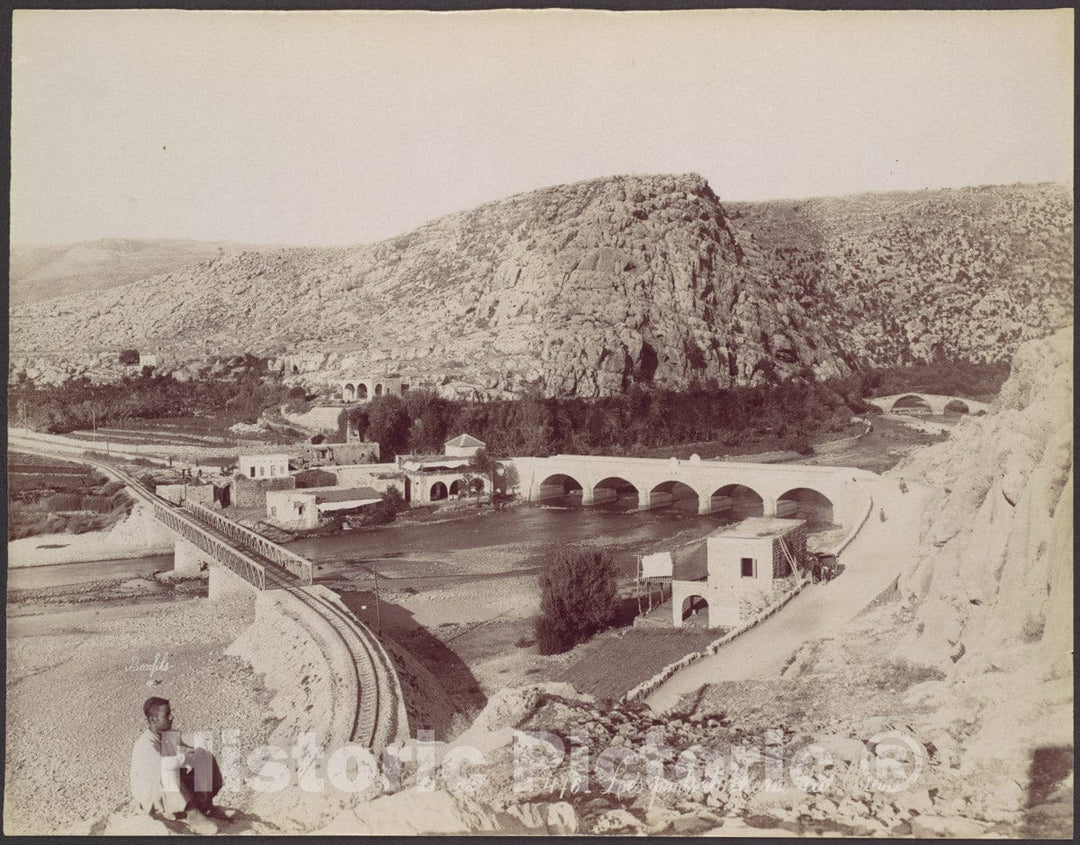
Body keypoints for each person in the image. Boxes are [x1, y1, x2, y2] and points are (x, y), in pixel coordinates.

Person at [130, 697, 225, 834]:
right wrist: (186, 758)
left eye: (170, 713)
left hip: (169, 786)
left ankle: (205, 806)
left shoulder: (166, 734)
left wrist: (199, 748)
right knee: (167, 770)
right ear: (153, 719)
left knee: (205, 756)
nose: (171, 717)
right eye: (166, 715)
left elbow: (192, 739)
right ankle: (192, 814)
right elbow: (164, 765)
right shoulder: (145, 743)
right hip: (150, 794)